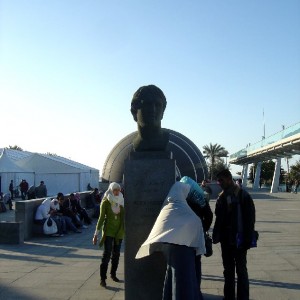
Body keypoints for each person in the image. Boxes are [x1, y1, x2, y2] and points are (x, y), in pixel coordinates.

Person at [136, 181, 206, 300]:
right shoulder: (185, 210)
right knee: (183, 281)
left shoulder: (166, 209)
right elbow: (196, 224)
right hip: (184, 252)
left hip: (170, 251)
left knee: (173, 278)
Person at [212, 169, 256, 300]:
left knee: (241, 270)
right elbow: (219, 218)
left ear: (229, 179)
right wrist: (216, 235)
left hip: (240, 240)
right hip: (226, 240)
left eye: (221, 180)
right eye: (218, 180)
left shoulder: (243, 195)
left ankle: (243, 297)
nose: (219, 183)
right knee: (228, 270)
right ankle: (229, 296)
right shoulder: (222, 197)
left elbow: (250, 219)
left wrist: (248, 239)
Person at [180, 176, 213, 299]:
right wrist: (202, 229)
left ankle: (185, 292)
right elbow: (209, 216)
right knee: (196, 264)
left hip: (183, 238)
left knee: (185, 266)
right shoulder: (200, 199)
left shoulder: (181, 199)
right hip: (196, 237)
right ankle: (195, 292)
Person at [92, 182, 125, 288]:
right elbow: (101, 218)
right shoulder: (106, 202)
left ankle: (113, 274)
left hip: (119, 232)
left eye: (118, 190)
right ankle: (103, 278)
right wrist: (96, 234)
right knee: (107, 254)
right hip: (109, 231)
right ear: (111, 190)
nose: (117, 192)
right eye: (115, 190)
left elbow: (123, 217)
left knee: (116, 254)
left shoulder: (121, 200)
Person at [130, 84, 169, 151]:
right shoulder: (133, 143)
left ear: (163, 111)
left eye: (157, 105)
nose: (153, 110)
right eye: (147, 104)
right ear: (134, 112)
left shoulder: (166, 141)